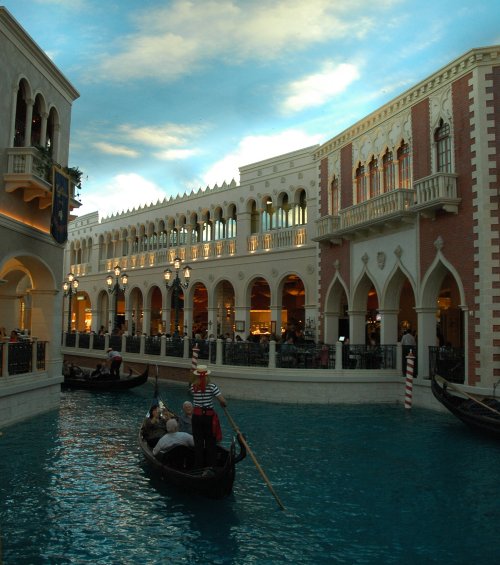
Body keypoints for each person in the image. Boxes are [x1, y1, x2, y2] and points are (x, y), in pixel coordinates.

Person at [189, 364, 226, 470]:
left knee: (198, 443)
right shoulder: (212, 386)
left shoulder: (193, 386)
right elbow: (222, 401)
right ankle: (211, 467)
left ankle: (198, 467)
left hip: (196, 417)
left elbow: (197, 395)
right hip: (208, 418)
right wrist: (224, 404)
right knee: (210, 442)